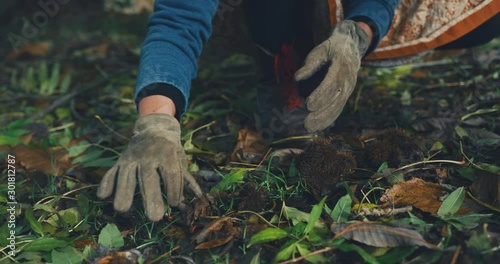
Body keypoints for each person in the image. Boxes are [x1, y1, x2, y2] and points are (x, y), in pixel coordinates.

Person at [97, 0, 500, 221]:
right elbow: (178, 21)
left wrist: (357, 34)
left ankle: (325, 49)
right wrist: (156, 122)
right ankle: (280, 67)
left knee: (485, 17)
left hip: (339, 9)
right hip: (250, 12)